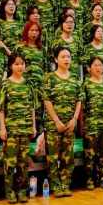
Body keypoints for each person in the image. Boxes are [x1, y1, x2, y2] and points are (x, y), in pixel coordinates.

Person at [41, 47, 82, 197]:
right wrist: (56, 120)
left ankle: (65, 184)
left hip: (70, 124)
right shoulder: (50, 78)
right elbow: (46, 100)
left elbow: (79, 100)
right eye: (63, 57)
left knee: (68, 156)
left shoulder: (75, 78)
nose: (66, 59)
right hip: (54, 124)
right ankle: (55, 186)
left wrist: (74, 119)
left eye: (68, 57)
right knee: (52, 157)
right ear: (56, 59)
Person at [0, 53, 37, 204]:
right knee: (10, 163)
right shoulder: (5, 85)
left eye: (22, 64)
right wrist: (2, 128)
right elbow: (1, 108)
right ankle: (10, 192)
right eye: (16, 64)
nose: (20, 67)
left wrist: (33, 126)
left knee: (23, 163)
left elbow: (32, 107)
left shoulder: (29, 84)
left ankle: (22, 192)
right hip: (11, 130)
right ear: (10, 66)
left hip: (26, 129)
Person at [81, 57, 103, 190]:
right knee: (90, 155)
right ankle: (89, 180)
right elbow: (82, 107)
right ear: (89, 69)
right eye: (95, 65)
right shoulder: (86, 85)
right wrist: (82, 125)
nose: (98, 68)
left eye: (100, 65)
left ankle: (101, 178)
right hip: (91, 125)